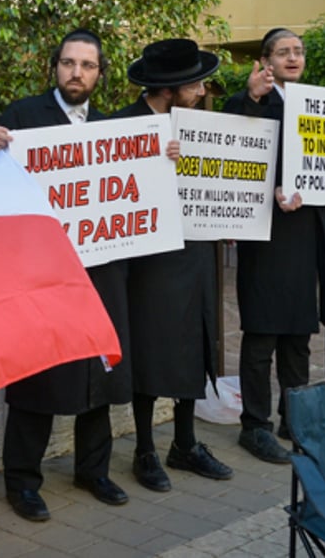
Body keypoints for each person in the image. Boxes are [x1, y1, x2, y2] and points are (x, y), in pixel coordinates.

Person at [0, 28, 132, 521]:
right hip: (39, 272)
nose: (76, 73)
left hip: (98, 269)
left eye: (87, 65)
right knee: (37, 376)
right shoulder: (21, 118)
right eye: (68, 63)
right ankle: (22, 482)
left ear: (99, 74)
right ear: (55, 67)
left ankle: (93, 470)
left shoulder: (112, 129)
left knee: (96, 371)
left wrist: (161, 161)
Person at [113, 39, 233, 492]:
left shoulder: (196, 123)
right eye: (196, 82)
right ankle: (145, 449)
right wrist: (149, 159)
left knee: (193, 345)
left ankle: (184, 442)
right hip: (150, 261)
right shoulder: (123, 125)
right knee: (152, 348)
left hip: (197, 249)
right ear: (170, 87)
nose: (202, 89)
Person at [222, 28, 325, 464]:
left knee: (298, 336)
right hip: (264, 235)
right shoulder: (251, 100)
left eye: (299, 51)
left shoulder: (317, 108)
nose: (293, 57)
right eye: (283, 51)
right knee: (263, 333)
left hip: (304, 233)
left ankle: (295, 417)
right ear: (265, 61)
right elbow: (229, 143)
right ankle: (255, 425)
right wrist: (251, 97)